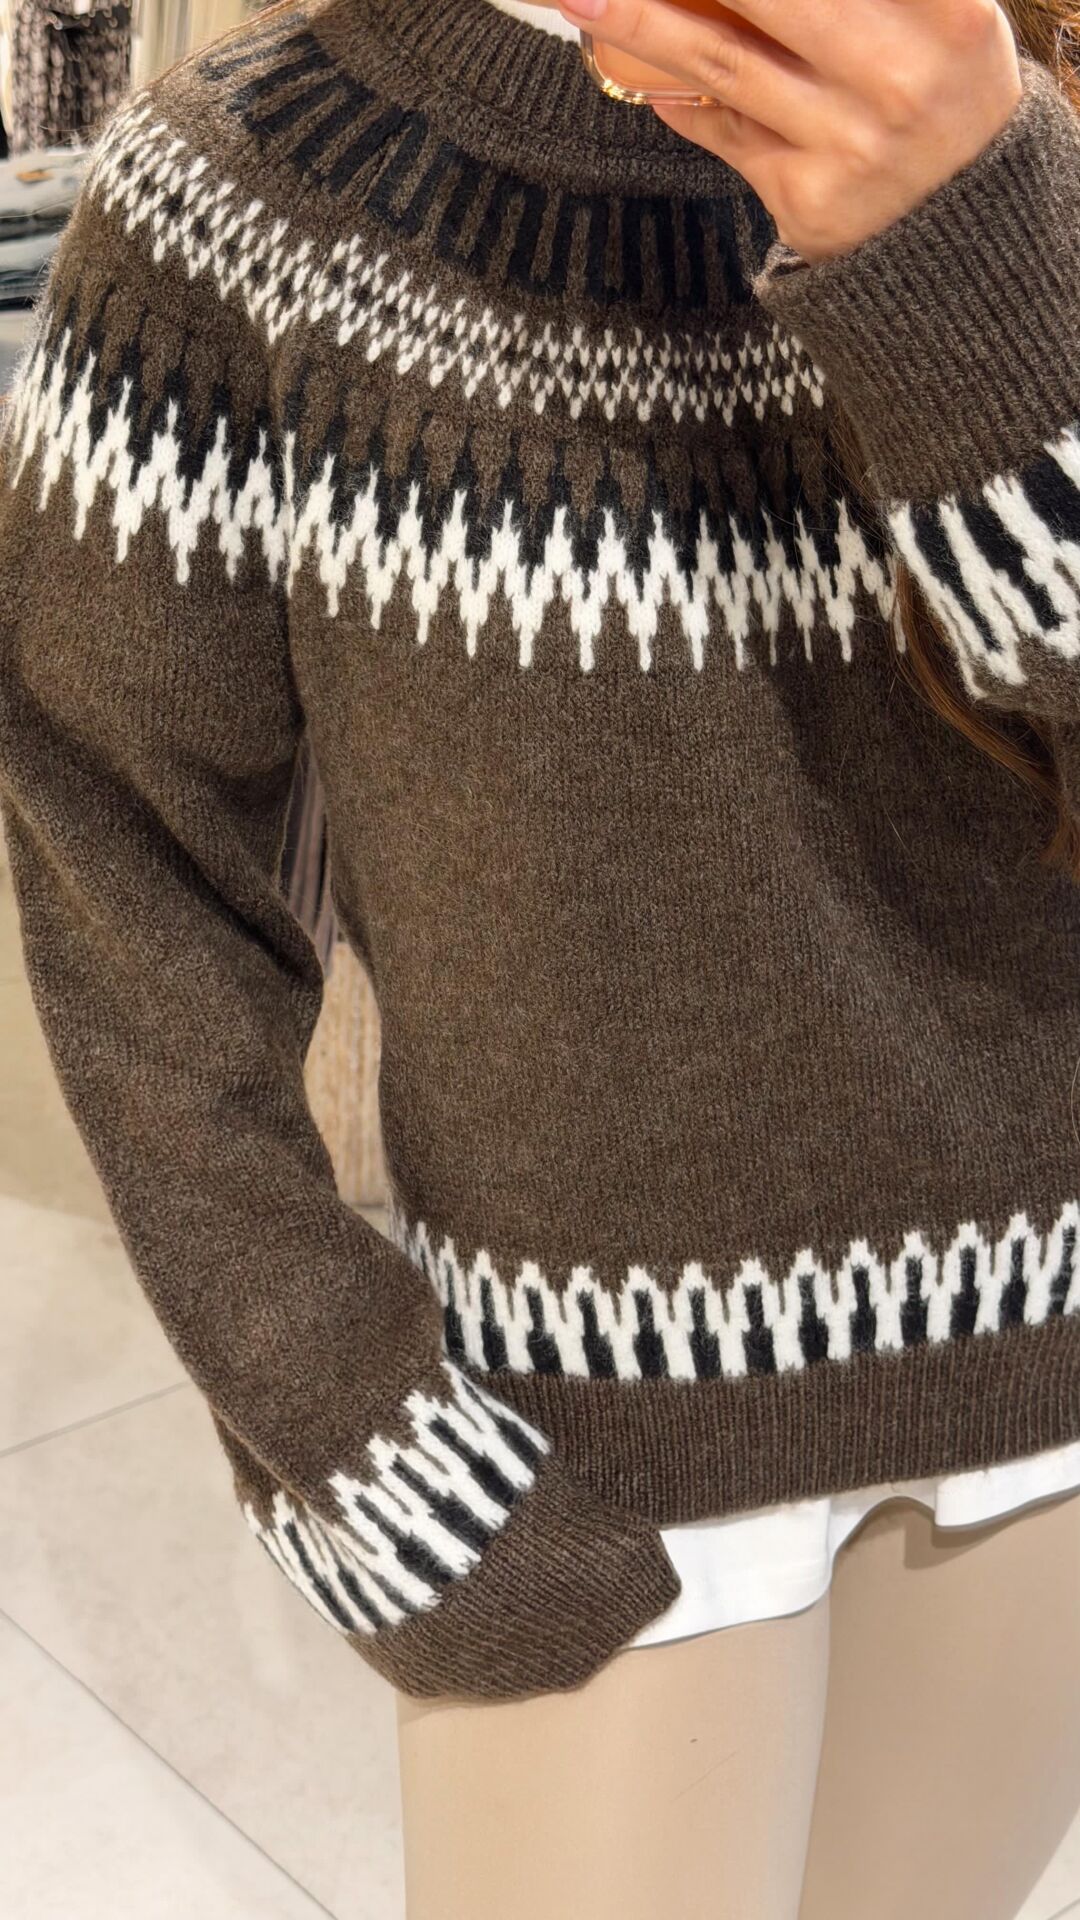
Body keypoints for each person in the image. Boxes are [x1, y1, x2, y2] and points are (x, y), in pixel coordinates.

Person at [1, 0, 1079, 1913]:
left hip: (1048, 1356)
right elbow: (125, 870)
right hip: (588, 1415)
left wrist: (980, 263)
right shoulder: (238, 196)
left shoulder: (1026, 128)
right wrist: (348, 1419)